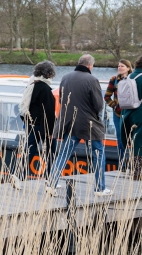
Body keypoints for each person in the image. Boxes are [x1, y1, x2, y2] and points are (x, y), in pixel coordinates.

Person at [45, 54, 110, 197]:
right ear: (90, 65)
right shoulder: (92, 80)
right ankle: (100, 188)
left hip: (70, 122)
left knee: (63, 154)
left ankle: (51, 184)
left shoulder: (65, 77)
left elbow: (62, 100)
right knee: (98, 154)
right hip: (89, 124)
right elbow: (98, 105)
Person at [11, 60, 57, 188]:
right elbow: (48, 111)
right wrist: (49, 131)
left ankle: (17, 175)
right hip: (43, 126)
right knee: (51, 152)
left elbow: (25, 106)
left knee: (30, 150)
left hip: (31, 124)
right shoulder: (45, 88)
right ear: (49, 73)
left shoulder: (32, 84)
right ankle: (50, 180)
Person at [104, 59, 132, 170]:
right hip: (118, 114)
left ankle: (134, 163)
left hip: (130, 113)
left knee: (132, 138)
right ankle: (123, 164)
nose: (119, 68)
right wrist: (114, 106)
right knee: (121, 139)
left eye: (122, 66)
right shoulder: (114, 80)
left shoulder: (133, 79)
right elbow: (106, 96)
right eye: (119, 66)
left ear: (128, 68)